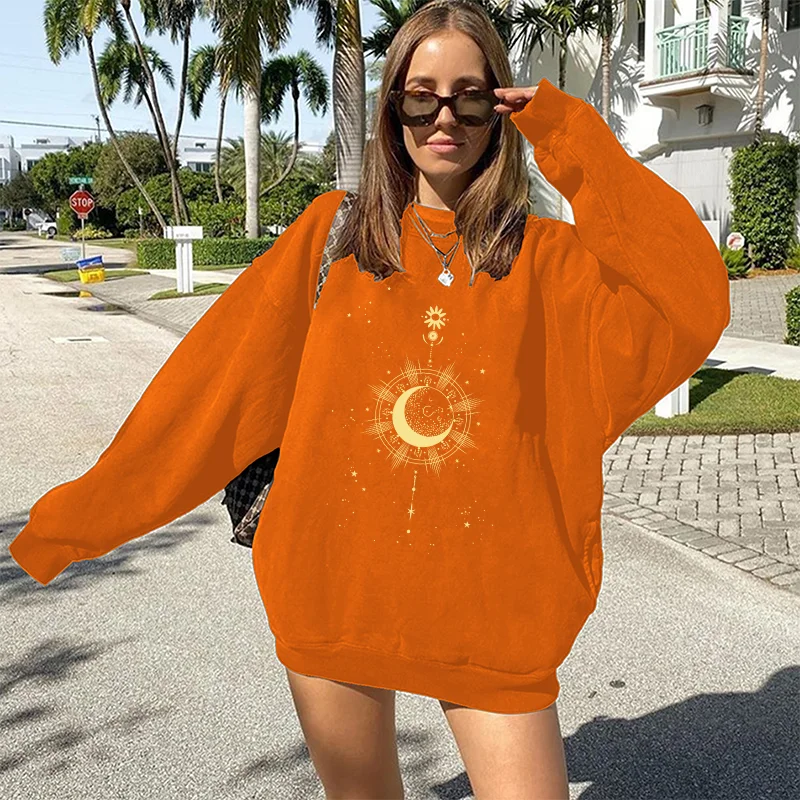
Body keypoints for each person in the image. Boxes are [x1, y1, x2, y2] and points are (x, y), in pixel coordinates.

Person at [9, 2, 731, 798]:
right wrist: (74, 523)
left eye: (471, 97)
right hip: (334, 595)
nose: (445, 117)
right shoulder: (335, 238)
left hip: (494, 614)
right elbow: (208, 395)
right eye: (421, 97)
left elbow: (689, 301)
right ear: (392, 110)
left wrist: (571, 135)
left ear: (501, 108)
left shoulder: (551, 262)